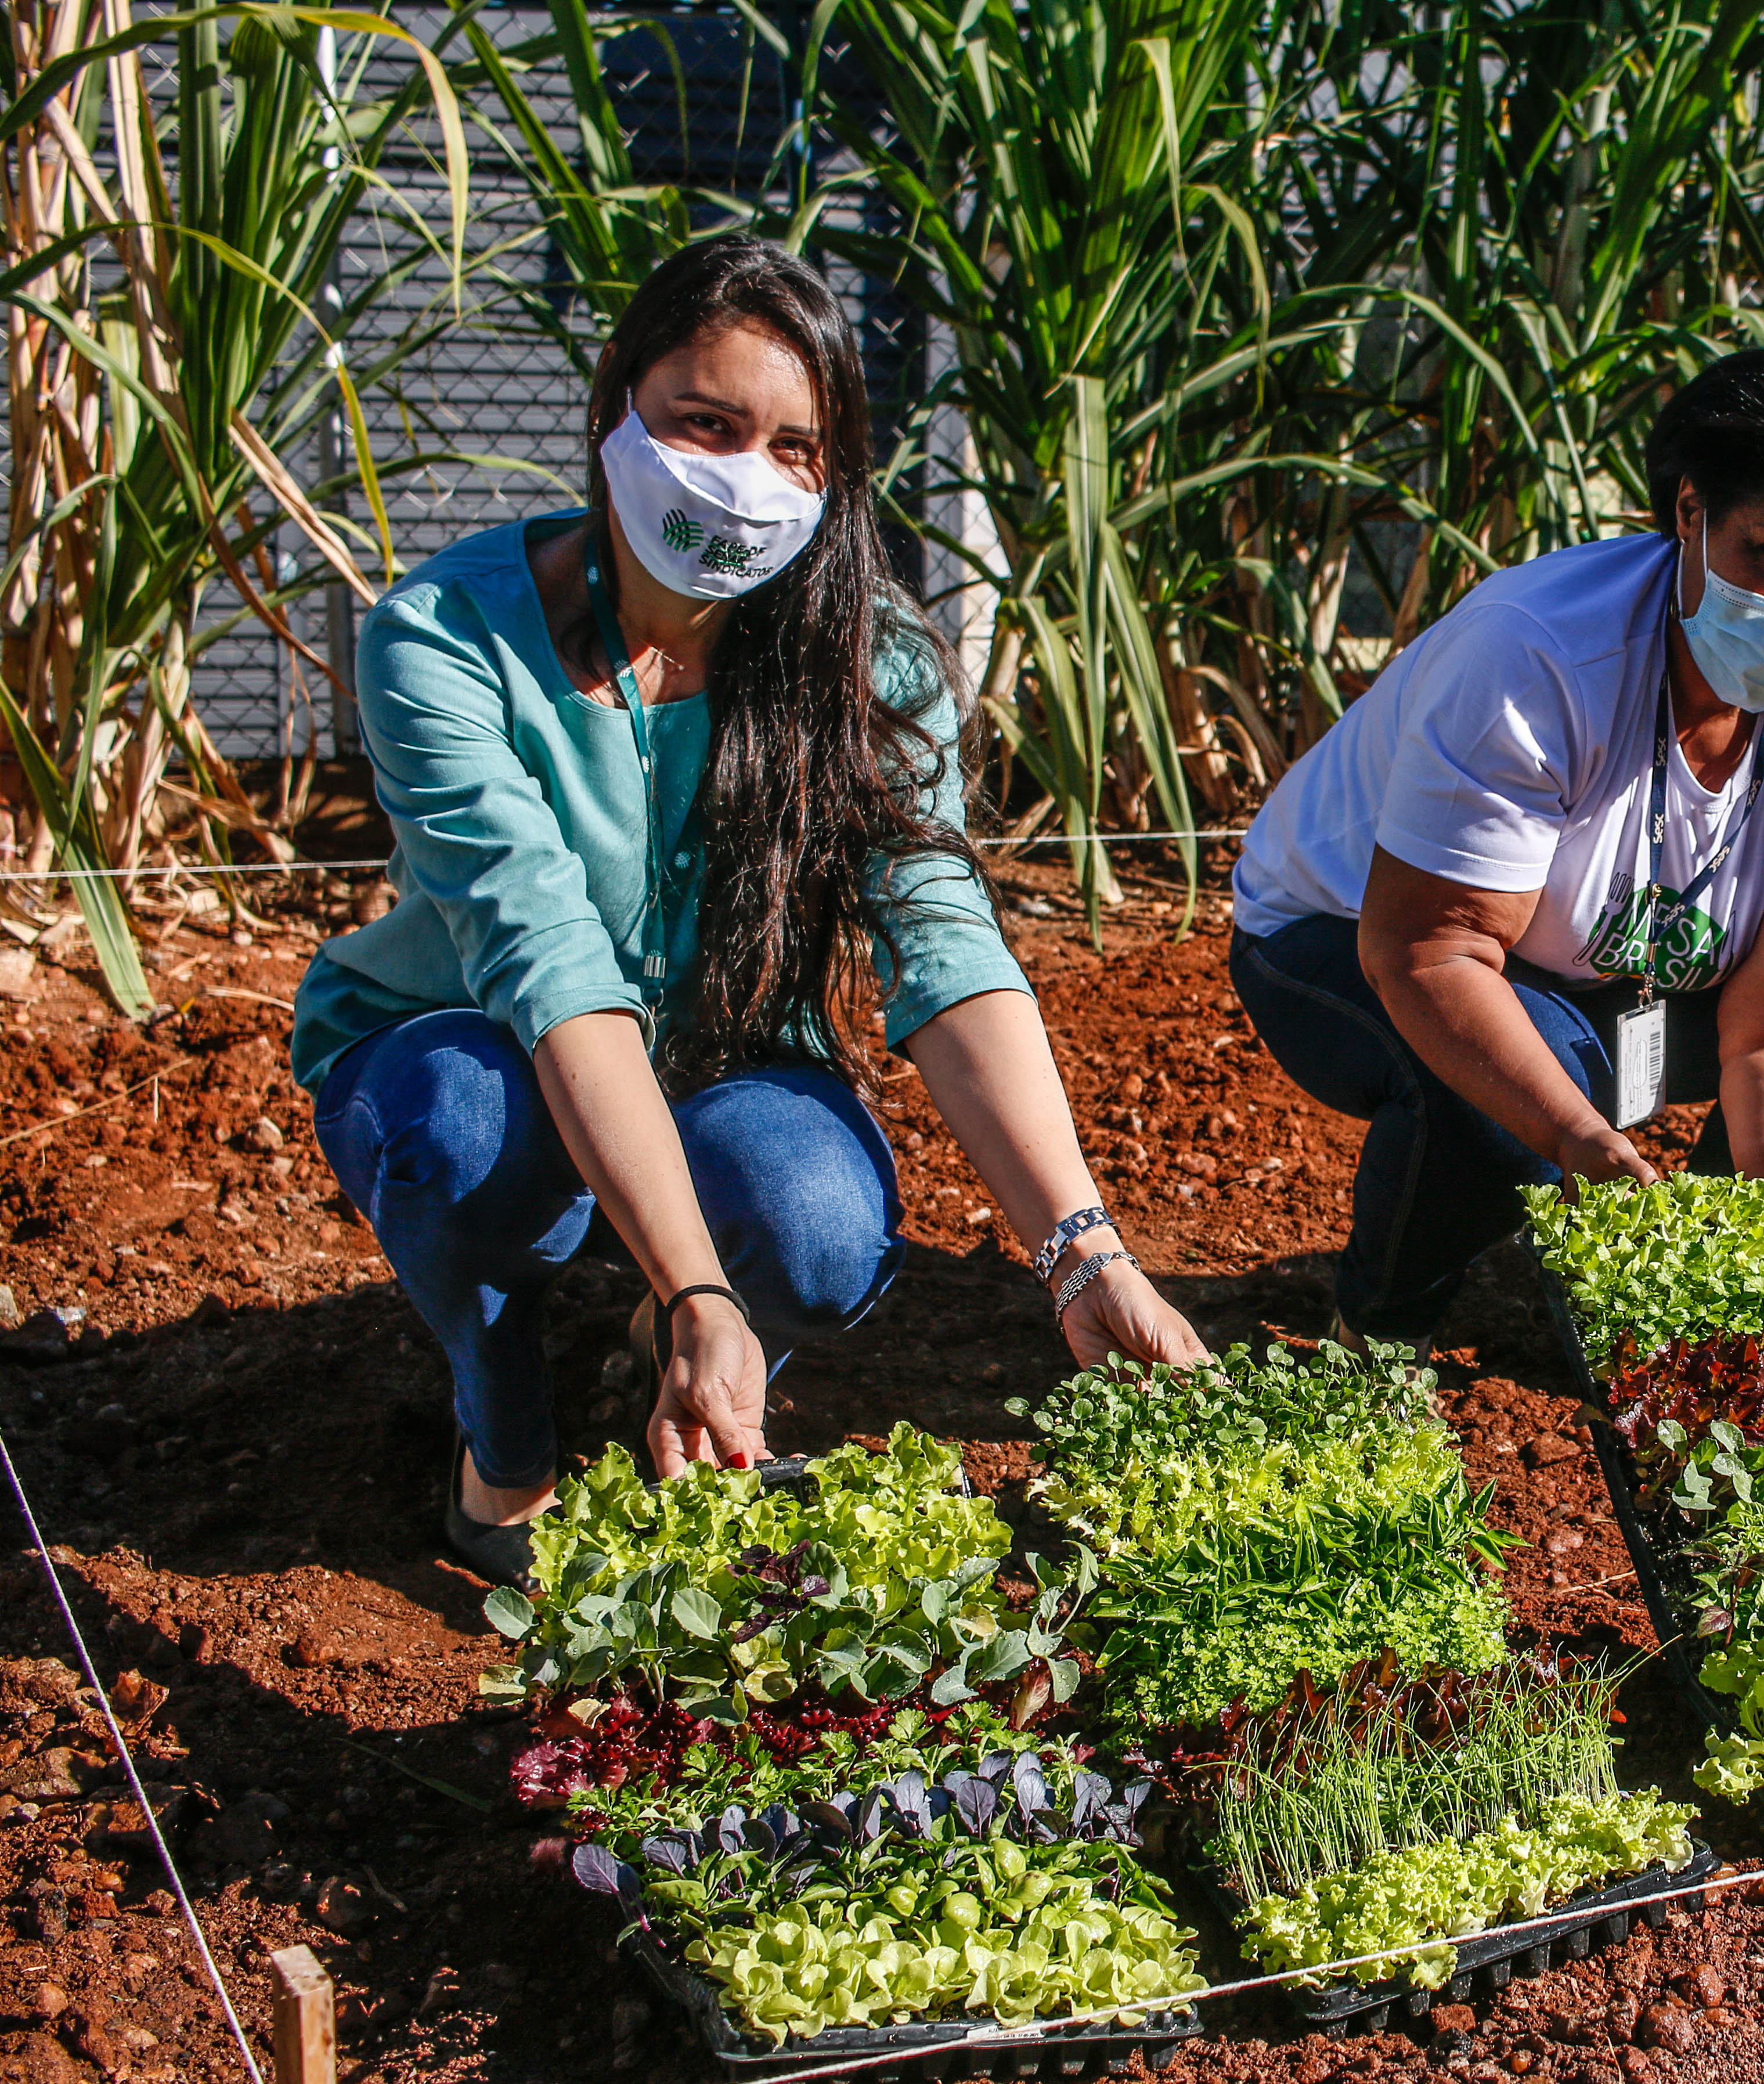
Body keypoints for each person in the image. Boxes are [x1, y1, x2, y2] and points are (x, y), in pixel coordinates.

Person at [292, 235, 1206, 1589]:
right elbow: (543, 960)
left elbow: (943, 940)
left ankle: (686, 1377)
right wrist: (695, 1281)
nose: (742, 476)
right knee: (462, 1140)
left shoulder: (872, 659)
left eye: (794, 446)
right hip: (469, 1033)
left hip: (724, 1053)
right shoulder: (443, 638)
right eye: (703, 423)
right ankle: (508, 1446)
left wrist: (1085, 1255)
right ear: (618, 408)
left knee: (819, 1224)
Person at [1228, 343, 1764, 1352]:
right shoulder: (1537, 659)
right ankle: (1382, 1337)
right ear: (1693, 515)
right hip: (1349, 939)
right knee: (1515, 1078)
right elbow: (1431, 954)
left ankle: (1691, 1326)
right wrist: (1578, 1140)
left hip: (1606, 970)